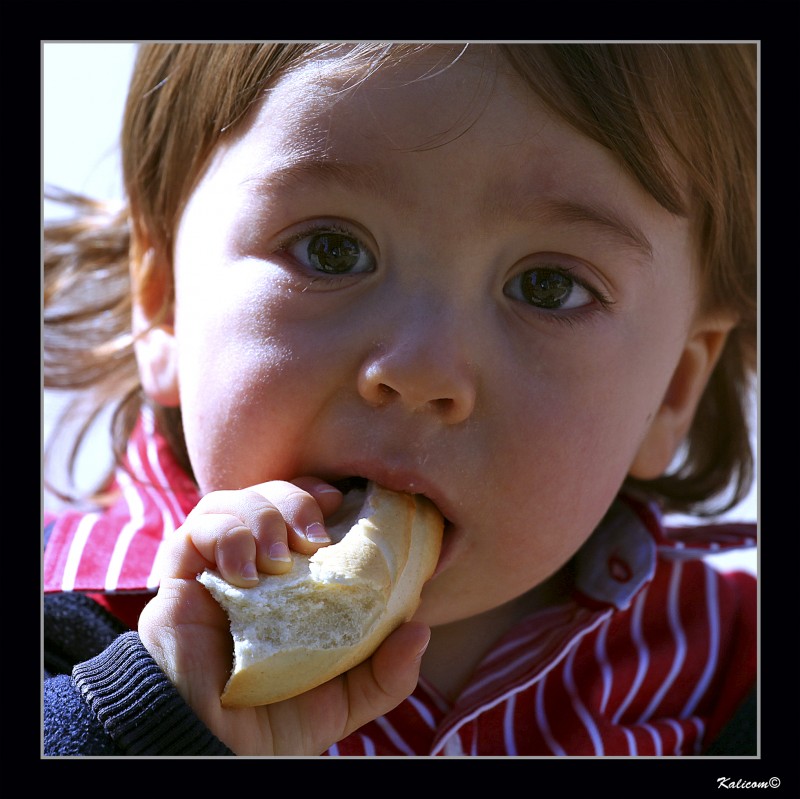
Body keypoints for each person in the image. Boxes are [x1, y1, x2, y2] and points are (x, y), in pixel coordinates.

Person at [43, 42, 757, 757]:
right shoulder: (61, 633)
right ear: (164, 297)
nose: (421, 369)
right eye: (330, 249)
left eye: (548, 287)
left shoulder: (734, 685)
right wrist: (152, 725)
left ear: (674, 389)